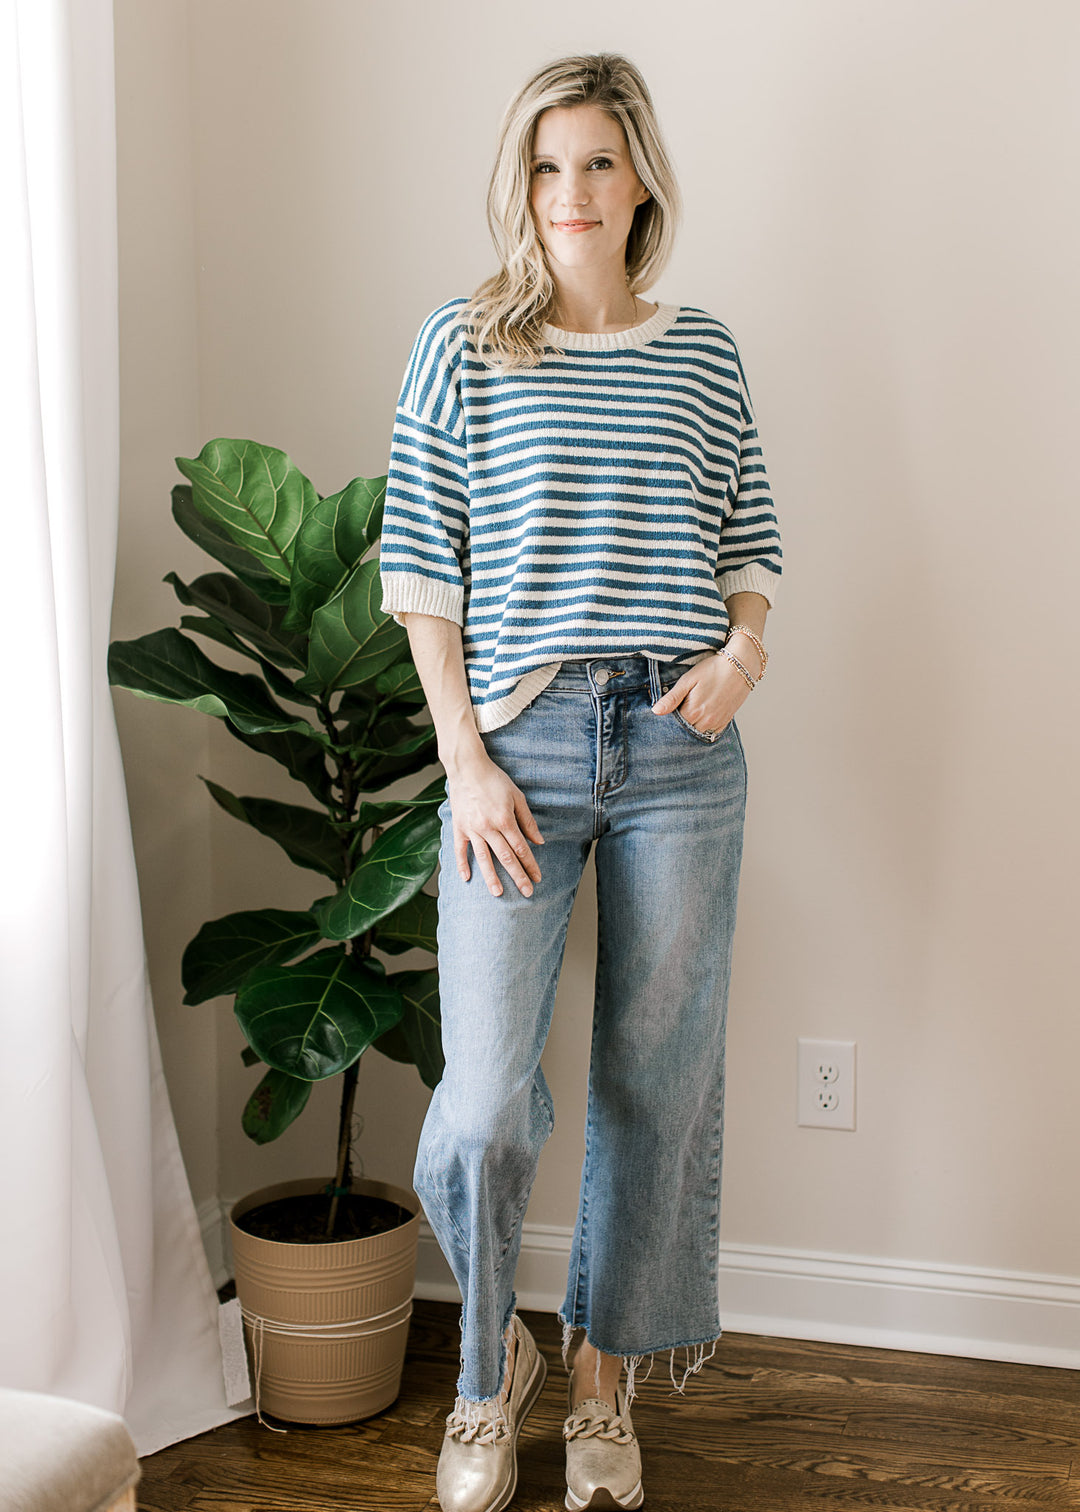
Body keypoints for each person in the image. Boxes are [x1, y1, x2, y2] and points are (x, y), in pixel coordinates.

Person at [378, 51, 781, 1512]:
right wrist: (463, 760)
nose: (571, 193)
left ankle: (603, 1375)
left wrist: (741, 660)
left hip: (682, 747)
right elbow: (423, 572)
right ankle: (492, 1376)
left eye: (598, 163)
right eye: (547, 166)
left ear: (641, 179)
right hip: (519, 752)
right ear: (520, 182)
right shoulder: (464, 344)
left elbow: (751, 547)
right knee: (484, 1104)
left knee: (653, 1083)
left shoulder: (704, 351)